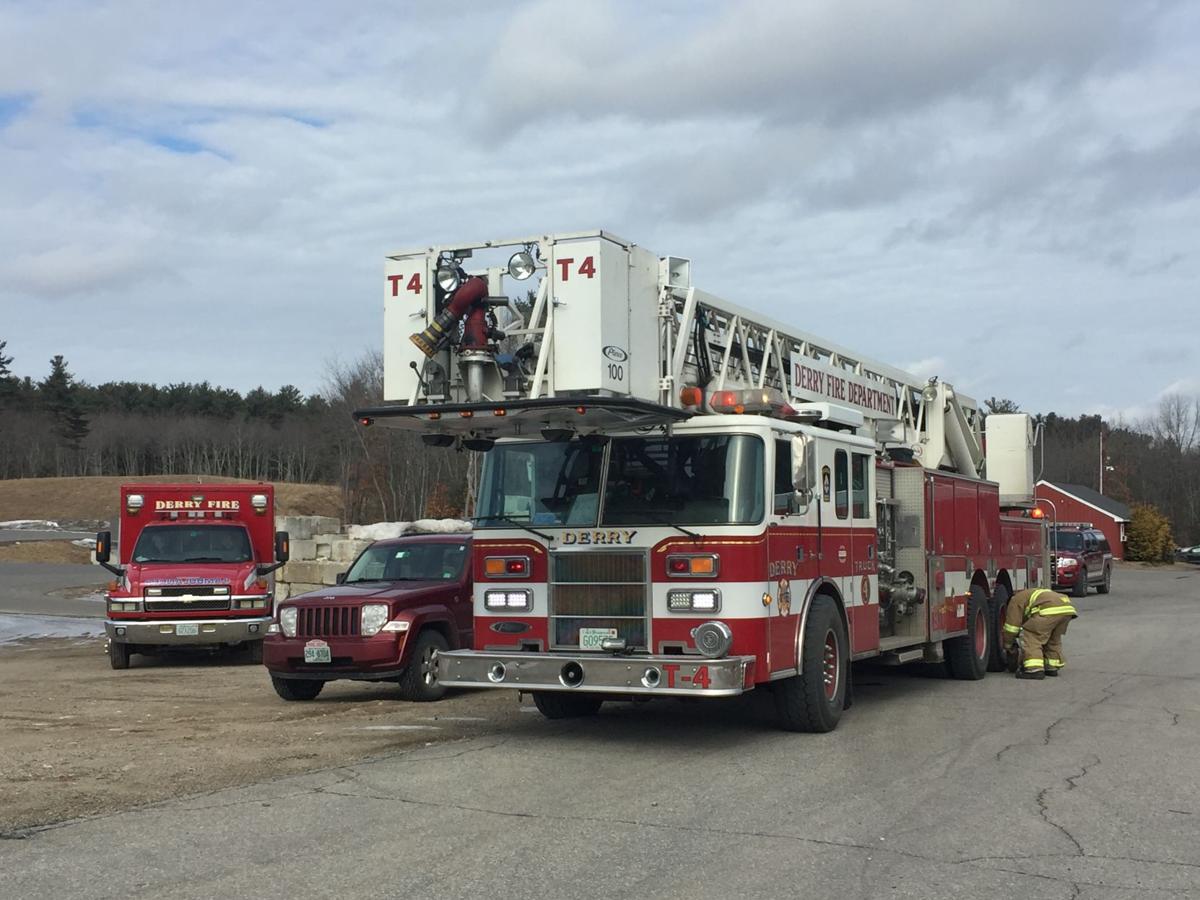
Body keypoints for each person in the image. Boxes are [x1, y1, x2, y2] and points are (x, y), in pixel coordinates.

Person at [1003, 587, 1078, 680]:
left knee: (1031, 635)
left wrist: (1008, 644)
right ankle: (1051, 667)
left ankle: (1034, 670)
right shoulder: (1030, 594)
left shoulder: (1015, 601)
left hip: (1049, 610)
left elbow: (1011, 628)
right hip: (1067, 609)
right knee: (1052, 639)